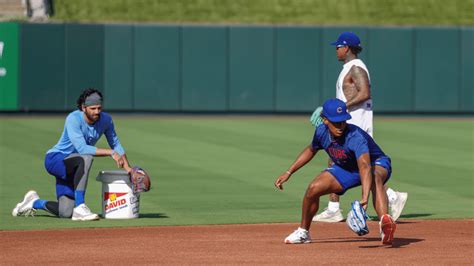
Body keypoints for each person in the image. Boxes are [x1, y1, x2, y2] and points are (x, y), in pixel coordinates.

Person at [311, 32, 407, 223]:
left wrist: (338, 110)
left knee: (352, 165)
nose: (336, 50)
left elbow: (365, 93)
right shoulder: (349, 67)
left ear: (346, 47)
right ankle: (334, 208)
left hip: (355, 124)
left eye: (338, 46)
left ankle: (391, 196)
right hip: (347, 121)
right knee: (336, 160)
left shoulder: (356, 68)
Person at [275, 98, 397, 245]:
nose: (341, 125)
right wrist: (289, 172)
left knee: (374, 176)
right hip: (347, 168)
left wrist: (364, 200)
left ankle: (385, 225)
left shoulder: (355, 137)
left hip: (376, 163)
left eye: (343, 120)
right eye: (336, 122)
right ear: (325, 120)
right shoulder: (321, 132)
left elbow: (365, 166)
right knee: (313, 188)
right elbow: (310, 150)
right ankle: (303, 232)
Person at [12, 88, 131, 221]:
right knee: (86, 158)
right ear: (83, 107)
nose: (97, 111)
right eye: (92, 108)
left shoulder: (106, 120)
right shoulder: (73, 118)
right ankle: (80, 207)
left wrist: (129, 169)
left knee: (65, 212)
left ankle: (34, 202)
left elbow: (115, 143)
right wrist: (110, 153)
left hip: (74, 167)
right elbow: (82, 148)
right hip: (56, 160)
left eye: (99, 108)